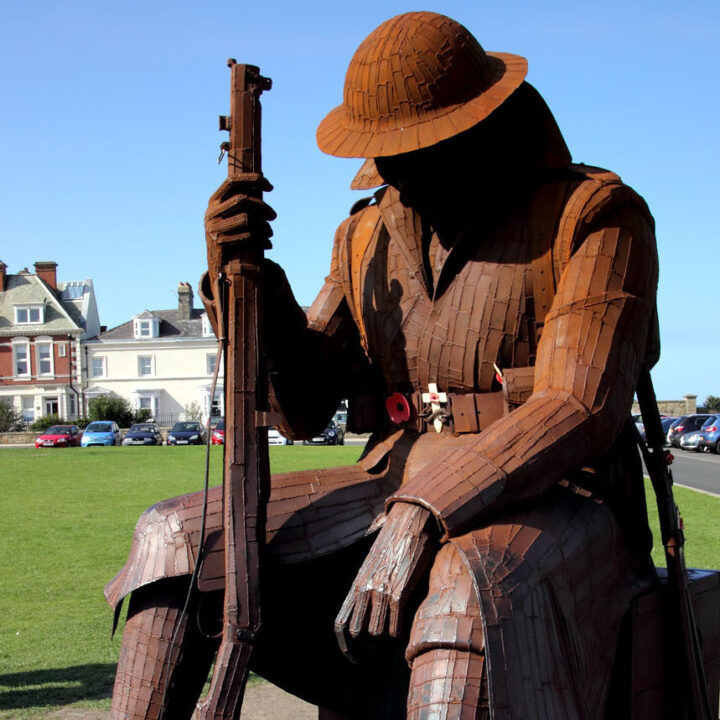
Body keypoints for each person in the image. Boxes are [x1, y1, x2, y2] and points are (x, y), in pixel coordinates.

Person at [106, 11, 659, 719]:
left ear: (479, 123)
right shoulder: (366, 233)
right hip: (392, 475)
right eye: (390, 151)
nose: (400, 169)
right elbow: (302, 404)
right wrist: (247, 283)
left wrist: (421, 514)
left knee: (468, 590)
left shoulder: (593, 215)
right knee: (171, 542)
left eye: (422, 147)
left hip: (558, 495)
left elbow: (580, 406)